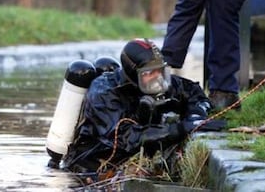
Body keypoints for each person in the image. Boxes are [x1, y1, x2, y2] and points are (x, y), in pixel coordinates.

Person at [61, 38, 224, 175]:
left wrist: (196, 116)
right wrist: (181, 129)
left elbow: (193, 93)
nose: (157, 79)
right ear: (133, 74)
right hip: (92, 169)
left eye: (160, 71)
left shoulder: (161, 82)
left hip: (136, 162)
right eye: (149, 74)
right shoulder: (103, 94)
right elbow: (126, 138)